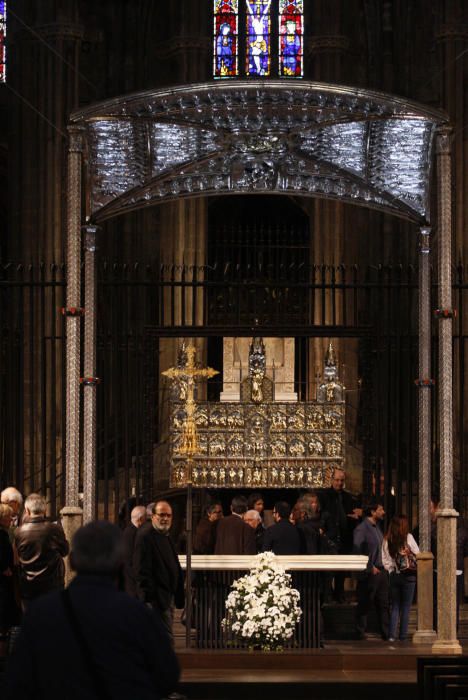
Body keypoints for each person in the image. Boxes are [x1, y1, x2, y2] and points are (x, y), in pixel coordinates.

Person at [4, 521, 180, 700]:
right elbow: (166, 676)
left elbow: (18, 681)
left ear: (72, 562)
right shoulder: (138, 615)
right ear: (120, 564)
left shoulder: (41, 614)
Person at [134, 500, 184, 643]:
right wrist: (147, 600)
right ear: (153, 516)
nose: (165, 518)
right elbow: (141, 570)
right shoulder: (146, 535)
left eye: (169, 515)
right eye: (162, 515)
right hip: (156, 599)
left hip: (166, 597)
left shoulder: (163, 534)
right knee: (163, 640)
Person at [14, 493, 69, 609]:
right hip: (52, 585)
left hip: (28, 585)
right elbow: (65, 551)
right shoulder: (54, 529)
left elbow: (17, 558)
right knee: (53, 621)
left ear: (27, 511)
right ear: (45, 510)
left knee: (32, 622)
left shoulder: (19, 532)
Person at [319, 468, 362, 602]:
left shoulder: (348, 497)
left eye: (342, 480)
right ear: (332, 480)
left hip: (344, 537)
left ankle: (340, 594)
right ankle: (328, 596)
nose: (339, 483)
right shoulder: (324, 495)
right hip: (330, 538)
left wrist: (355, 516)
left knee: (341, 570)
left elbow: (351, 515)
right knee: (329, 570)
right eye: (337, 480)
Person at [353, 502, 389, 641]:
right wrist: (369, 566)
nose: (383, 512)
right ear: (373, 512)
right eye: (381, 509)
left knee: (384, 603)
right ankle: (360, 632)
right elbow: (357, 549)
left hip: (381, 571)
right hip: (370, 572)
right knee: (365, 602)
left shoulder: (377, 527)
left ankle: (386, 633)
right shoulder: (362, 529)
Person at [382, 514, 419, 641]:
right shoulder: (408, 537)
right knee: (406, 607)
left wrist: (392, 570)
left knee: (395, 606)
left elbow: (385, 561)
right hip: (409, 576)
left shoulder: (387, 539)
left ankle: (391, 635)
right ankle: (402, 636)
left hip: (394, 576)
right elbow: (418, 554)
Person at [0, 504, 18, 647]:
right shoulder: (1, 534)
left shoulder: (5, 532)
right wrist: (4, 568)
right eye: (8, 517)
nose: (11, 520)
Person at [122, 505, 147, 596]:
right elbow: (128, 561)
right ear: (140, 519)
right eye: (146, 519)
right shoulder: (130, 533)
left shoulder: (132, 531)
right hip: (132, 586)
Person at [246, 0, 272, 75]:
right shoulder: (255, 22)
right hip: (257, 42)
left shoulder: (260, 23)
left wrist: (268, 4)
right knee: (255, 54)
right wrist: (248, 4)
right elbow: (251, 13)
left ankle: (261, 68)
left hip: (261, 42)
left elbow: (264, 13)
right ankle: (259, 68)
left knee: (257, 54)